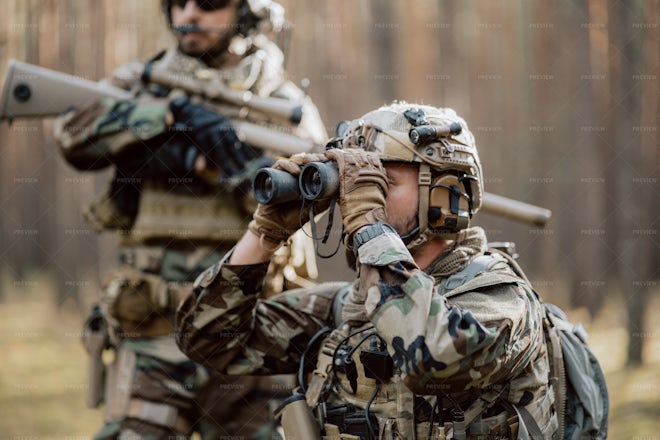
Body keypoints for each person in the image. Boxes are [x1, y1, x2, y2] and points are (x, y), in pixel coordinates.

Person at [176, 102, 559, 439]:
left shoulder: (501, 299)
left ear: (444, 194)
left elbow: (432, 359)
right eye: (355, 184)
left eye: (382, 183)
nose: (355, 198)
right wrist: (264, 234)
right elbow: (207, 338)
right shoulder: (353, 307)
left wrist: (370, 229)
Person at [53, 0, 326, 438]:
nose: (189, 15)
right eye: (178, 3)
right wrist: (167, 118)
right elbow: (71, 132)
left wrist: (218, 167)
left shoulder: (283, 101)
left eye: (209, 2)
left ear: (246, 12)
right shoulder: (144, 81)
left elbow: (314, 189)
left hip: (250, 340)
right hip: (151, 334)